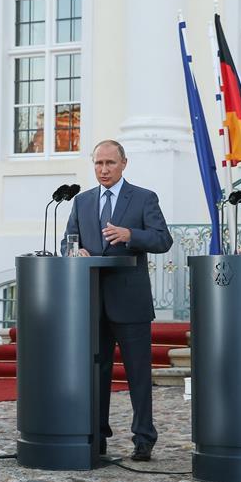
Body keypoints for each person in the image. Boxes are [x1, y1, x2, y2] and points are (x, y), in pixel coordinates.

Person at [63, 140, 173, 461]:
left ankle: (143, 437)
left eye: (110, 163)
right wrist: (74, 250)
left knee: (138, 372)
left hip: (130, 300)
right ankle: (96, 435)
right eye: (98, 164)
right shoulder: (82, 201)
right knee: (96, 372)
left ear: (124, 163)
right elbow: (67, 240)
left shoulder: (143, 198)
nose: (104, 169)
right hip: (91, 302)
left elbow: (163, 239)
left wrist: (130, 235)